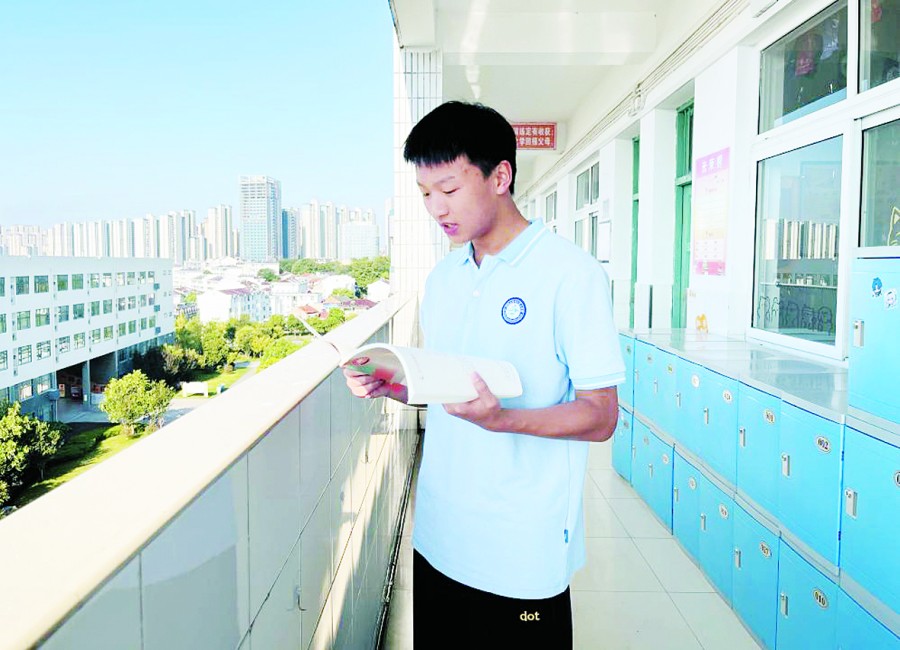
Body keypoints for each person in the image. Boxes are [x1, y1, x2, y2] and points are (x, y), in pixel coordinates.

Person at [344, 101, 624, 648]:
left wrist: (503, 420)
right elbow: (450, 387)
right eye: (425, 193)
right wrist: (395, 384)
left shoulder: (571, 274)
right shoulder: (444, 278)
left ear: (500, 176)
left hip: (521, 549)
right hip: (439, 536)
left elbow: (601, 415)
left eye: (448, 189)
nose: (436, 208)